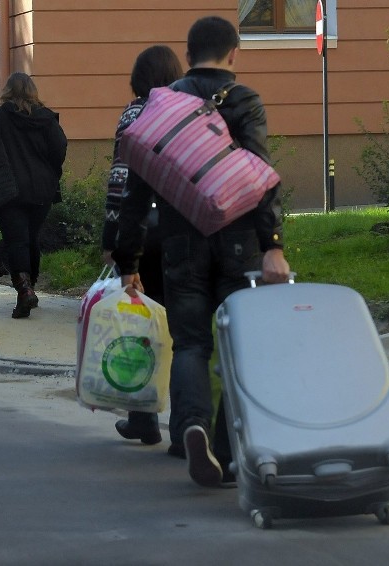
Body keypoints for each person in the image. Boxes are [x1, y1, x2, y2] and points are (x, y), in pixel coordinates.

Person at [112, 16, 291, 488]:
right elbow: (260, 177)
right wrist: (273, 246)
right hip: (239, 243)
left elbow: (135, 190)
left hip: (180, 241)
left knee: (190, 342)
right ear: (234, 54)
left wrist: (127, 262)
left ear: (187, 55)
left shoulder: (163, 105)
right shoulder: (245, 100)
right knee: (238, 347)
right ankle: (231, 457)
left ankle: (191, 425)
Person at [102, 45, 184, 447]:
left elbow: (122, 179)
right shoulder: (190, 111)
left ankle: (144, 419)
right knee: (183, 330)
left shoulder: (135, 114)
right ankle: (188, 422)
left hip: (142, 236)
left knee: (140, 326)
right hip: (183, 232)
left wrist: (113, 239)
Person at [0, 73, 68, 318]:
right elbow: (59, 150)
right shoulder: (47, 119)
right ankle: (29, 288)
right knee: (31, 238)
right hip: (41, 189)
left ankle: (24, 290)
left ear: (7, 91)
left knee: (16, 241)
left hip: (9, 187)